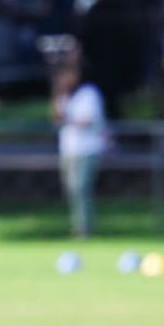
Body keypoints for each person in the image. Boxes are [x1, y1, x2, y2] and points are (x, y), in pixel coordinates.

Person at [51, 44, 109, 239]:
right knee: (71, 190)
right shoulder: (65, 97)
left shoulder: (89, 94)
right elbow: (56, 118)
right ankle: (77, 226)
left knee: (81, 188)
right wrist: (57, 94)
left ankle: (84, 229)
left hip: (87, 149)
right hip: (68, 149)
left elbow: (87, 120)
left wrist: (67, 118)